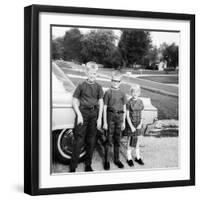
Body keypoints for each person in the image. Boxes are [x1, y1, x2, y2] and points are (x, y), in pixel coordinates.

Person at [69, 61, 104, 172]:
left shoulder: (98, 87)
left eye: (94, 74)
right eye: (90, 73)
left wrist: (99, 118)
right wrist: (78, 115)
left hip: (94, 114)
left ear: (96, 74)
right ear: (87, 73)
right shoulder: (81, 85)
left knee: (91, 140)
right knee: (79, 140)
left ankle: (88, 164)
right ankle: (73, 166)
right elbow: (74, 101)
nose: (92, 76)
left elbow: (101, 103)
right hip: (83, 113)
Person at [103, 71, 127, 170]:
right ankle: (106, 160)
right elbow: (104, 107)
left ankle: (117, 159)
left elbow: (125, 107)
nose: (115, 83)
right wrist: (104, 121)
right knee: (109, 138)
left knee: (117, 139)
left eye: (117, 81)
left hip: (120, 117)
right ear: (111, 81)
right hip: (110, 116)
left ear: (120, 82)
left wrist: (124, 122)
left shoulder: (122, 93)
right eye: (114, 81)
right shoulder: (108, 92)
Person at [126, 84, 144, 166]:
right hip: (131, 125)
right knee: (130, 141)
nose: (135, 93)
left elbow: (142, 113)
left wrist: (141, 123)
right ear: (131, 93)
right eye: (133, 92)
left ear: (139, 93)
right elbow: (127, 116)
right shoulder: (129, 102)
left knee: (137, 141)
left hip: (138, 124)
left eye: (136, 92)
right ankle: (129, 158)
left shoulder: (140, 102)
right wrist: (131, 126)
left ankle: (138, 157)